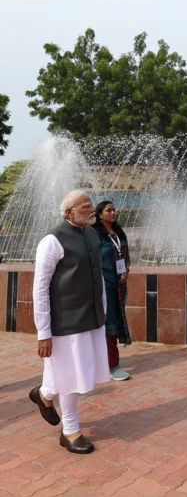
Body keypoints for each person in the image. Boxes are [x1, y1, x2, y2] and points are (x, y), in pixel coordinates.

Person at [29, 190, 110, 454]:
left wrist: (104, 310)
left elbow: (98, 276)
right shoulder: (52, 241)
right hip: (65, 322)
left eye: (90, 205)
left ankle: (44, 394)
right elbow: (40, 288)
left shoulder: (91, 234)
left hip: (91, 316)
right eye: (84, 206)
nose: (90, 210)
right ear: (68, 212)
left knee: (76, 372)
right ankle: (70, 431)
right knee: (69, 376)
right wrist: (43, 332)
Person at [93, 200, 132, 381]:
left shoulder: (118, 232)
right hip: (103, 285)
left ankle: (107, 362)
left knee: (115, 320)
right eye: (109, 210)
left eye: (114, 210)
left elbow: (125, 255)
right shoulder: (94, 234)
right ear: (100, 214)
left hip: (120, 284)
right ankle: (111, 365)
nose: (113, 213)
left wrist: (126, 272)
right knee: (108, 322)